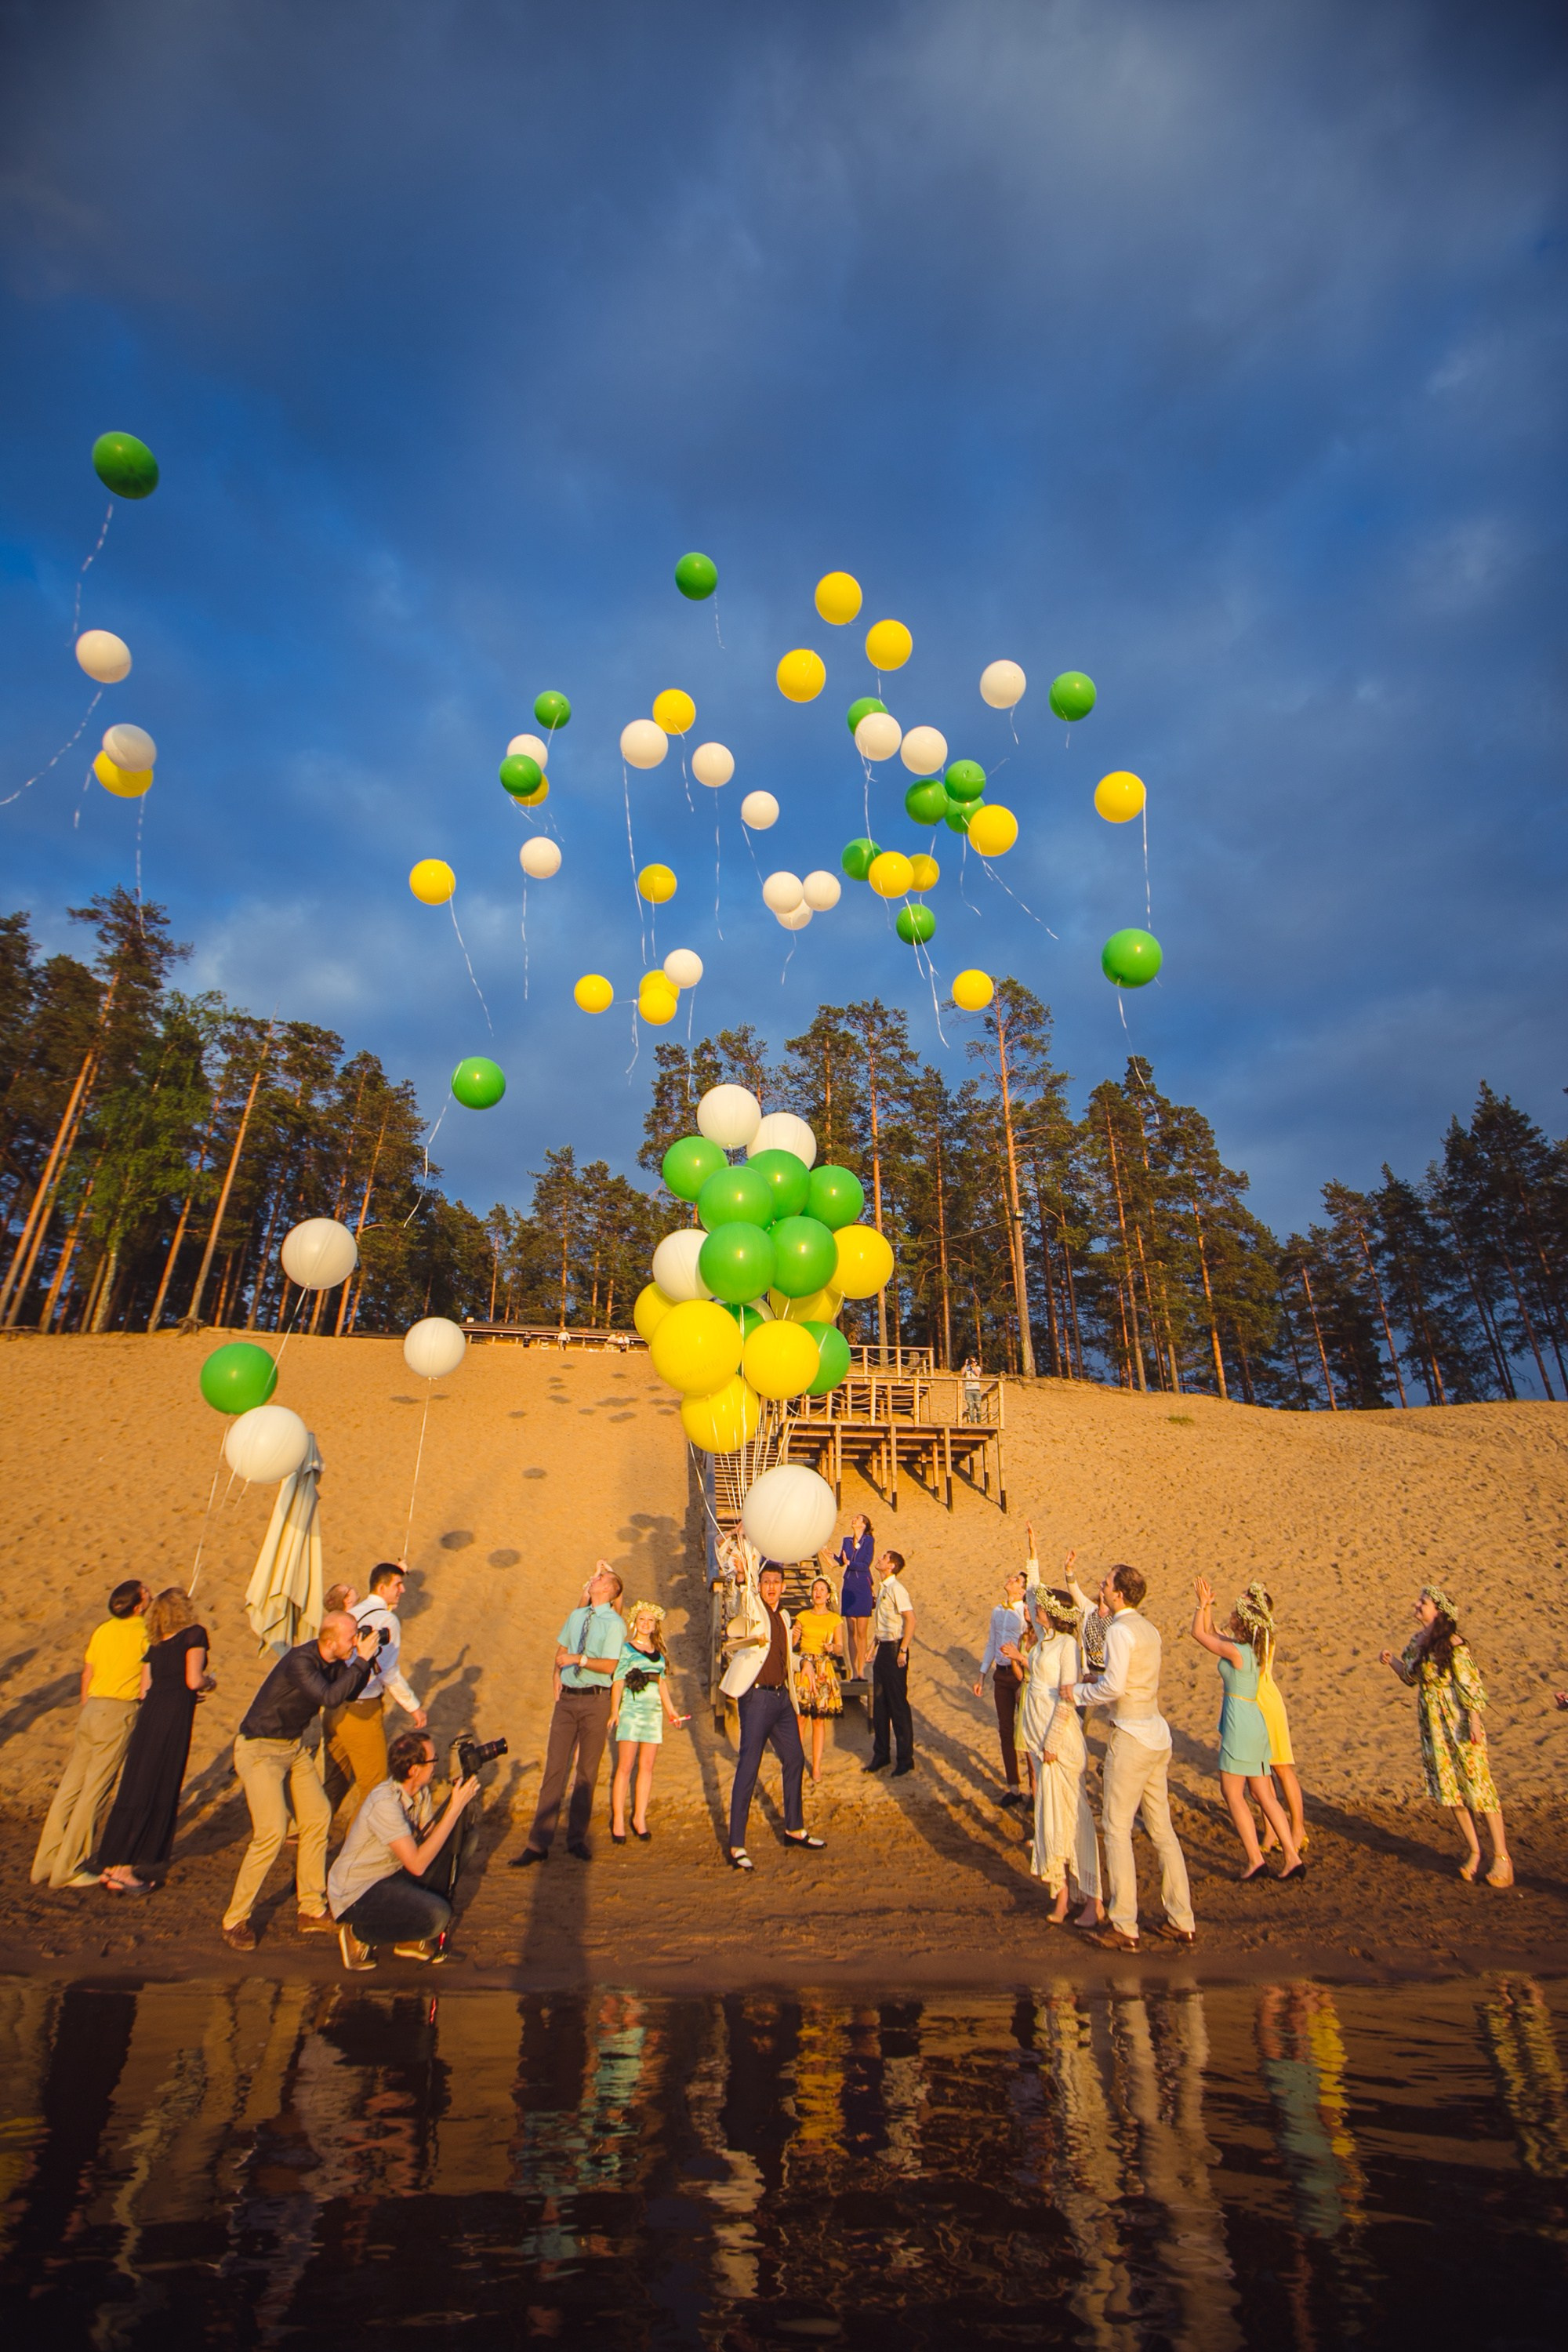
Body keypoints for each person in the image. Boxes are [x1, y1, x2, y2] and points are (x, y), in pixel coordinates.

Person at [221, 1609, 380, 1950]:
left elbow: (348, 1694)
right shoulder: (301, 1662)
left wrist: (366, 1662)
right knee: (272, 1832)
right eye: (351, 1636)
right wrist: (360, 1662)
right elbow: (329, 1698)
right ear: (330, 1640)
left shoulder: (337, 1660)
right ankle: (235, 1919)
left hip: (292, 1749)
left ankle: (310, 1908)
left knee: (319, 1817)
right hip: (260, 1750)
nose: (356, 1641)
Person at [1070, 1563, 1196, 1952]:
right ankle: (1182, 1918)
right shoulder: (1148, 1629)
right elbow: (1127, 1678)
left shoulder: (1121, 1630)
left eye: (1106, 1584)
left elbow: (1115, 1686)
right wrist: (1097, 1680)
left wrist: (1076, 1692)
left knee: (1117, 1827)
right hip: (1156, 1733)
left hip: (1132, 1735)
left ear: (1119, 1594)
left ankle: (1125, 1923)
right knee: (1162, 1830)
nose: (1101, 1587)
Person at [1380, 1584, 1513, 1886]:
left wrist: (1475, 1721)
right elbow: (1411, 1678)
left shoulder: (1454, 1644)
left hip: (1458, 1722)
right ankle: (1475, 1851)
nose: (1416, 1605)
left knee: (1479, 1787)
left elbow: (1470, 1685)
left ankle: (1502, 1857)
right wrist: (1392, 1662)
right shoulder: (1417, 1641)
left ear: (1437, 1611)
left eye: (1423, 1602)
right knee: (1451, 1789)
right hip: (1434, 1727)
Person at [31, 1580, 151, 1890]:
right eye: (147, 1593)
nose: (151, 1595)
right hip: (117, 1712)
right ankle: (69, 1867)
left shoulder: (103, 1630)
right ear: (138, 1606)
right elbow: (146, 1684)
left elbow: (88, 1673)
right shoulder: (144, 1634)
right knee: (95, 1791)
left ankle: (46, 1861)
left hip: (92, 1709)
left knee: (70, 1787)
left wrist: (89, 1704)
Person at [330, 1730, 482, 1969]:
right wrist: (453, 1809)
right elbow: (417, 1864)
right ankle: (358, 1933)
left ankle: (409, 1939)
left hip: (391, 1874)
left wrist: (460, 1803)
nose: (436, 1766)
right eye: (433, 1761)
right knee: (437, 1917)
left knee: (467, 1839)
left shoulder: (419, 1792)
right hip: (358, 1891)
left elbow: (432, 1837)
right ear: (414, 1770)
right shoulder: (385, 1803)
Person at [95, 1588, 213, 1894]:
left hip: (151, 1713)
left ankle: (113, 1864)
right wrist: (209, 1683)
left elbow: (145, 1689)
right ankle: (123, 1869)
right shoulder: (194, 1635)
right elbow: (193, 1679)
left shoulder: (156, 1642)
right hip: (173, 1716)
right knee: (156, 1783)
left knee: (137, 1782)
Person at [510, 1563, 626, 1866]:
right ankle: (538, 1843)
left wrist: (581, 1660)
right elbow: (562, 1649)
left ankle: (576, 1838)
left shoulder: (614, 1623)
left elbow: (611, 1666)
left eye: (601, 1578)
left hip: (595, 1702)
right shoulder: (577, 1615)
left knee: (586, 1772)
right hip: (567, 1701)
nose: (594, 1578)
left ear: (609, 1591)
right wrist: (556, 1672)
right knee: (555, 1769)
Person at [1189, 1579, 1304, 1882]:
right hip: (1254, 1721)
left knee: (1232, 1792)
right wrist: (1208, 1606)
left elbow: (1199, 1634)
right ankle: (1292, 1856)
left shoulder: (1238, 1651)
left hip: (1240, 1722)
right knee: (1264, 1793)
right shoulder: (1250, 1650)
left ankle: (1255, 1858)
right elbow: (1213, 1634)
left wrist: (1201, 1605)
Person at [722, 1555, 825, 1870]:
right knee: (749, 1765)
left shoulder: (784, 1617)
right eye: (766, 1582)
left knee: (794, 1758)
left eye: (776, 1583)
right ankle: (737, 1844)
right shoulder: (753, 1608)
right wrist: (742, 1577)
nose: (771, 1587)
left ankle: (794, 1827)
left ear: (782, 1586)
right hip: (755, 1699)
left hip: (782, 1699)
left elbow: (784, 1657)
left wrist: (804, 1663)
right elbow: (739, 1603)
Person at [1018, 1584, 1103, 1927]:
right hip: (1039, 1740)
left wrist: (1052, 1741)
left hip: (1060, 1743)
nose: (1036, 1610)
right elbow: (1030, 1594)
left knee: (1074, 1819)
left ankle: (1093, 1900)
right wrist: (1032, 1553)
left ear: (1054, 1613)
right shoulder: (1046, 1639)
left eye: (1043, 1607)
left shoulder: (1068, 1645)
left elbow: (1068, 1697)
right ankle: (1062, 1895)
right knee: (1050, 1821)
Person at [326, 1560, 426, 1823]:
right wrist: (414, 1707)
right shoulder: (386, 1620)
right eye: (397, 1585)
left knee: (334, 1778)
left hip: (333, 1706)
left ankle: (301, 1832)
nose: (402, 1590)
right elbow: (388, 1671)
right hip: (360, 1709)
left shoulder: (351, 1613)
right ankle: (355, 1849)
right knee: (374, 1784)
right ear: (382, 1588)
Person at [608, 1602, 689, 1841]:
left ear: (655, 1625)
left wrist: (671, 1711)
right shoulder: (626, 1649)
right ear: (635, 1622)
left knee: (647, 1766)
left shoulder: (659, 1652)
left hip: (652, 1712)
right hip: (632, 1709)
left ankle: (639, 1817)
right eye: (642, 1619)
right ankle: (619, 1819)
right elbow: (618, 1681)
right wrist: (615, 1711)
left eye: (650, 1620)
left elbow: (661, 1683)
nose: (645, 1624)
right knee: (625, 1766)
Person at [972, 1527, 1039, 1805]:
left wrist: (1032, 1549)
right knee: (1005, 1731)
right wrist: (982, 1674)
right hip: (1000, 1675)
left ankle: (1036, 1790)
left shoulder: (1027, 1611)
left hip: (1020, 1675)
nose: (1010, 1580)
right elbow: (991, 1642)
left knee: (1026, 1733)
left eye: (1015, 1579)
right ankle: (1014, 1787)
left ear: (1021, 1590)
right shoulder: (998, 1610)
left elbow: (1035, 1584)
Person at [1243, 1579, 1309, 1857]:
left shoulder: (1263, 1633)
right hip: (1252, 1703)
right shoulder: (1250, 1633)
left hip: (1266, 1703)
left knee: (1281, 1767)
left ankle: (1298, 1829)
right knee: (1261, 1770)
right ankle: (1270, 1829)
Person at [865, 1551, 915, 1778]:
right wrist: (872, 1646)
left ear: (892, 1566)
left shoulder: (897, 1589)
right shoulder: (884, 1588)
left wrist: (903, 1649)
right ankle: (881, 1753)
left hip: (896, 1649)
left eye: (884, 1558)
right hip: (883, 1648)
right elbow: (884, 1623)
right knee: (880, 1703)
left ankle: (905, 1758)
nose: (880, 1560)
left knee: (898, 1704)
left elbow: (910, 1620)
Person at [792, 1574, 845, 1783]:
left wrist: (833, 1648)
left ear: (828, 1594)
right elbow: (794, 1643)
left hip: (823, 1667)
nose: (818, 1593)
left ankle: (816, 1766)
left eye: (822, 1589)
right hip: (805, 1666)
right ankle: (795, 1761)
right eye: (816, 1589)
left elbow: (840, 1647)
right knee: (800, 1717)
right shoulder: (803, 1616)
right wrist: (794, 1634)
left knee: (819, 1719)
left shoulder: (834, 1619)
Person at [823, 1513, 875, 1679]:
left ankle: (861, 1670)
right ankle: (854, 1671)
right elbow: (840, 1561)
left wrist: (849, 1563)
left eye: (858, 1519)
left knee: (861, 1630)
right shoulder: (847, 1541)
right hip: (849, 1584)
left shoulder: (869, 1541)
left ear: (864, 1525)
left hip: (862, 1585)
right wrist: (829, 1555)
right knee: (851, 1629)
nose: (854, 1520)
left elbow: (865, 1564)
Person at [962, 1356, 983, 1424]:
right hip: (968, 1390)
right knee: (970, 1407)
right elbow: (962, 1373)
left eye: (973, 1361)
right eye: (971, 1361)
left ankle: (979, 1421)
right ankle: (972, 1422)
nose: (972, 1363)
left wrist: (974, 1367)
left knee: (978, 1406)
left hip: (976, 1389)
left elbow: (977, 1374)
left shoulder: (978, 1368)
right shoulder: (967, 1368)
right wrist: (966, 1364)